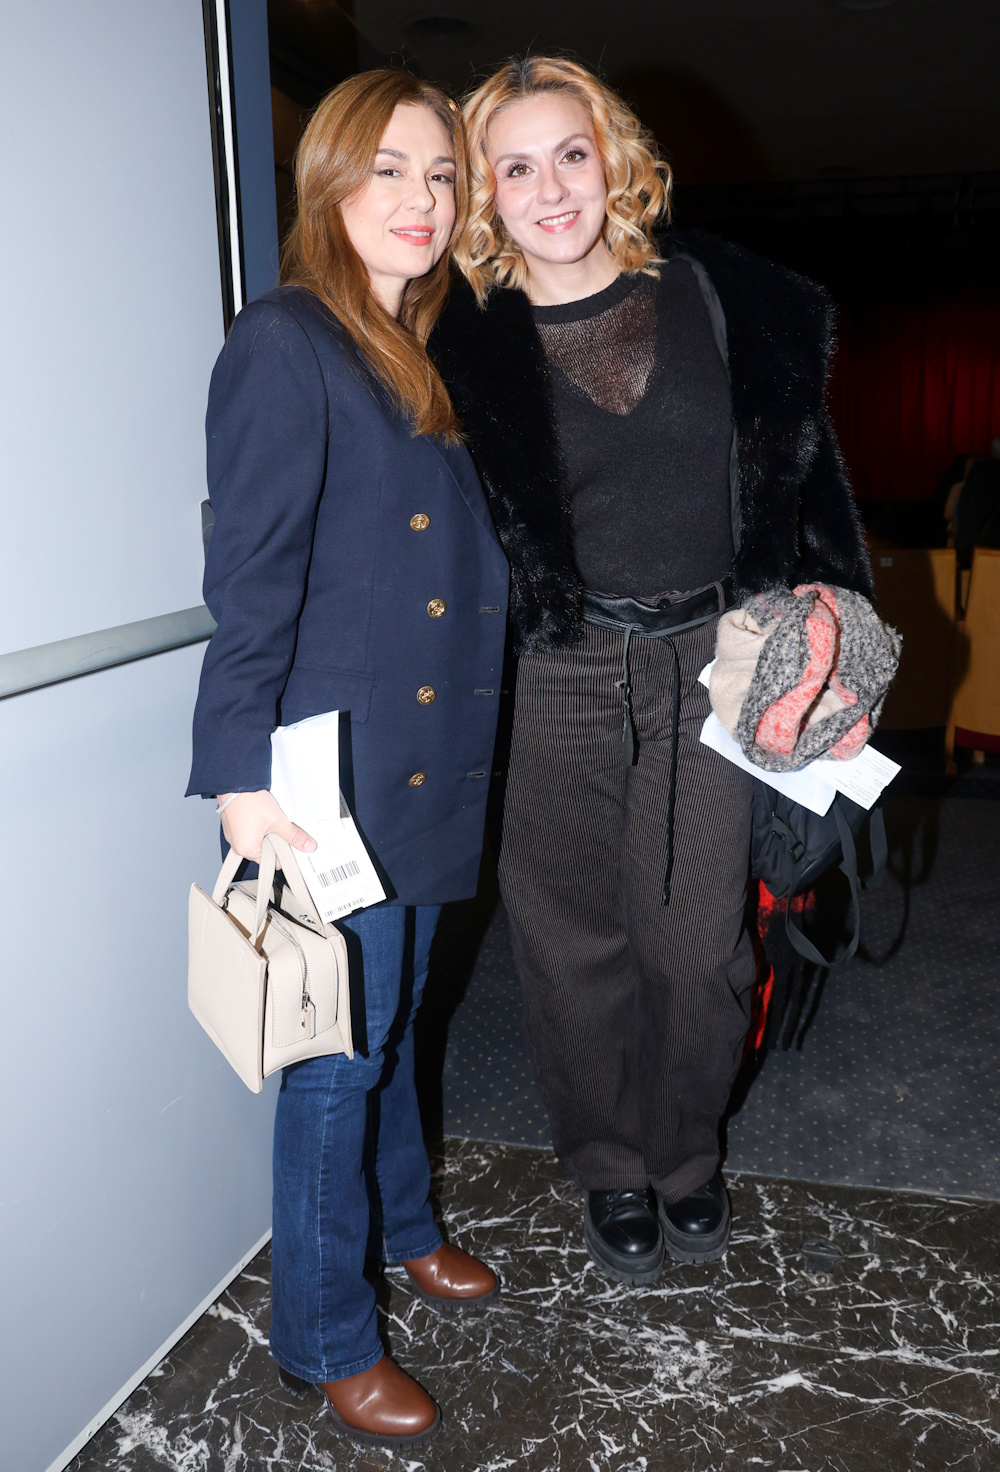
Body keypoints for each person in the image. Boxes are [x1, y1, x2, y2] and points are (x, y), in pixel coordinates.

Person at [431, 56, 872, 1283]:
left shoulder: (725, 300)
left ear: (614, 157)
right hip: (551, 671)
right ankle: (610, 1162)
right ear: (484, 192)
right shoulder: (454, 345)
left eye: (570, 154)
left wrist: (837, 644)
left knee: (697, 947)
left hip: (714, 660)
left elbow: (811, 495)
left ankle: (687, 1153)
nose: (550, 188)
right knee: (572, 945)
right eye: (516, 167)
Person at [186, 70, 509, 1450]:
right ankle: (325, 1334)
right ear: (329, 181)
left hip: (419, 761)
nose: (421, 198)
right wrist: (239, 776)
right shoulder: (289, 339)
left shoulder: (416, 347)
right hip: (325, 779)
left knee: (398, 1019)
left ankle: (408, 1225)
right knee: (337, 1055)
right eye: (389, 168)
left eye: (440, 173)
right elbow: (250, 578)